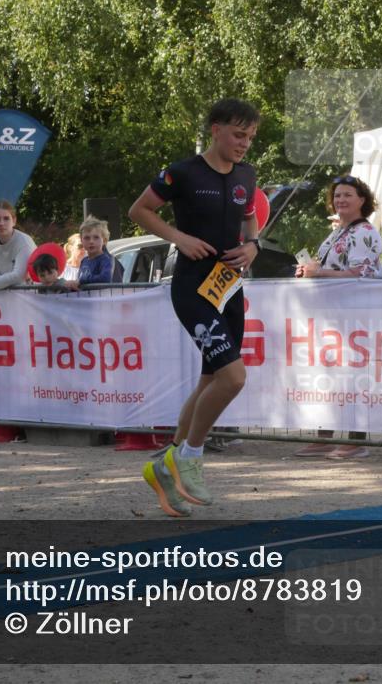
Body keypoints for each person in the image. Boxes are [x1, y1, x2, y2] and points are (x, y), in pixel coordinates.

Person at [129, 98, 261, 518]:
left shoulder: (246, 175)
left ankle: (164, 465)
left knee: (211, 380)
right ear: (216, 129)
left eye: (250, 137)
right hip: (191, 287)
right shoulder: (183, 172)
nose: (244, 144)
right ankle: (190, 456)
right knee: (233, 378)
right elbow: (139, 210)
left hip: (228, 287)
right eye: (238, 135)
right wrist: (178, 238)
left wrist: (253, 246)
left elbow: (250, 218)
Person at [292, 174, 382, 460]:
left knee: (355, 376)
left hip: (356, 315)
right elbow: (330, 266)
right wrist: (309, 270)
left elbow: (361, 272)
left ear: (362, 200)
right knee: (329, 375)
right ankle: (324, 436)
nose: (341, 199)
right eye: (337, 195)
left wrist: (319, 272)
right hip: (333, 315)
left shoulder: (365, 231)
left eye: (347, 195)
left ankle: (356, 440)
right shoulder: (338, 231)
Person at [67, 216, 123, 288]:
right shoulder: (84, 261)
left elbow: (105, 278)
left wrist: (81, 281)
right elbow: (80, 280)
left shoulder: (106, 260)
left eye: (96, 237)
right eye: (87, 238)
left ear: (104, 240)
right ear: (81, 241)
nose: (91, 241)